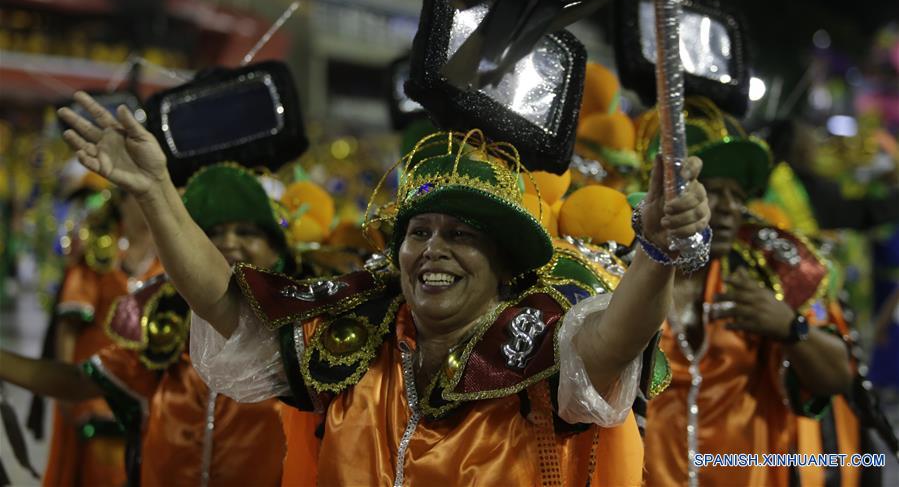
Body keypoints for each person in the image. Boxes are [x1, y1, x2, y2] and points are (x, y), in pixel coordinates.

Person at [57, 91, 711, 485]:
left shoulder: (537, 341)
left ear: (504, 262)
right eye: (418, 230)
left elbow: (612, 344)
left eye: (459, 234)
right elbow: (231, 305)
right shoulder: (359, 334)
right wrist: (155, 191)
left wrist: (653, 252)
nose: (431, 248)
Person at [0, 163, 310, 487]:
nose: (228, 242)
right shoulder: (169, 327)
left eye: (247, 232)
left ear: (276, 246)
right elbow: (80, 381)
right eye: (213, 233)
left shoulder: (300, 338)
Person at [638, 97, 854, 487]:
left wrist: (791, 328)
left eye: (738, 196)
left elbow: (839, 376)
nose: (728, 209)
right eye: (714, 191)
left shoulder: (761, 277)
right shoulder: (623, 275)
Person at [44, 184, 160, 487]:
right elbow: (68, 325)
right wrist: (66, 390)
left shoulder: (172, 256)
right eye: (140, 195)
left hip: (152, 391)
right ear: (121, 202)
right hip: (96, 387)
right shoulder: (99, 250)